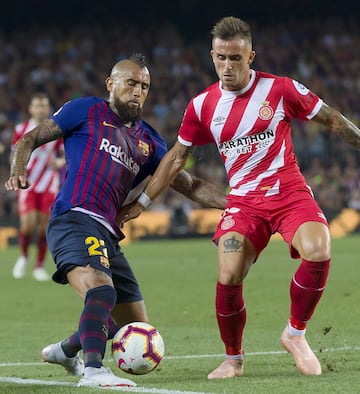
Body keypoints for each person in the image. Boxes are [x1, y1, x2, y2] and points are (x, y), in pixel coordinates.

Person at [121, 17, 360, 379]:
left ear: (251, 55)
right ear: (212, 56)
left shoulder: (280, 90)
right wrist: (143, 204)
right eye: (220, 58)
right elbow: (174, 160)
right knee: (229, 272)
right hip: (244, 203)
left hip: (289, 193)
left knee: (320, 247)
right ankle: (233, 358)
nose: (227, 66)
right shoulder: (202, 106)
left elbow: (333, 119)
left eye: (235, 58)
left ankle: (295, 333)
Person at [5, 54, 226, 388]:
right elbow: (30, 138)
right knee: (100, 290)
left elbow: (191, 185)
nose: (138, 91)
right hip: (74, 218)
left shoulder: (150, 141)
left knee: (133, 326)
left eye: (145, 86)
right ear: (111, 84)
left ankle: (66, 351)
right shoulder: (86, 110)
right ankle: (93, 370)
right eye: (131, 83)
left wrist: (240, 202)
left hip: (107, 233)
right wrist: (18, 167)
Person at [11, 93, 65, 281]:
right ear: (31, 109)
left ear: (48, 108)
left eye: (44, 106)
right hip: (28, 183)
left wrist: (59, 162)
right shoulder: (21, 129)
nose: (41, 109)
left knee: (43, 227)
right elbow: (14, 154)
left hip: (49, 184)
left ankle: (39, 265)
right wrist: (15, 171)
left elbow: (63, 155)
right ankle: (24, 256)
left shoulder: (55, 128)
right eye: (37, 106)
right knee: (27, 226)